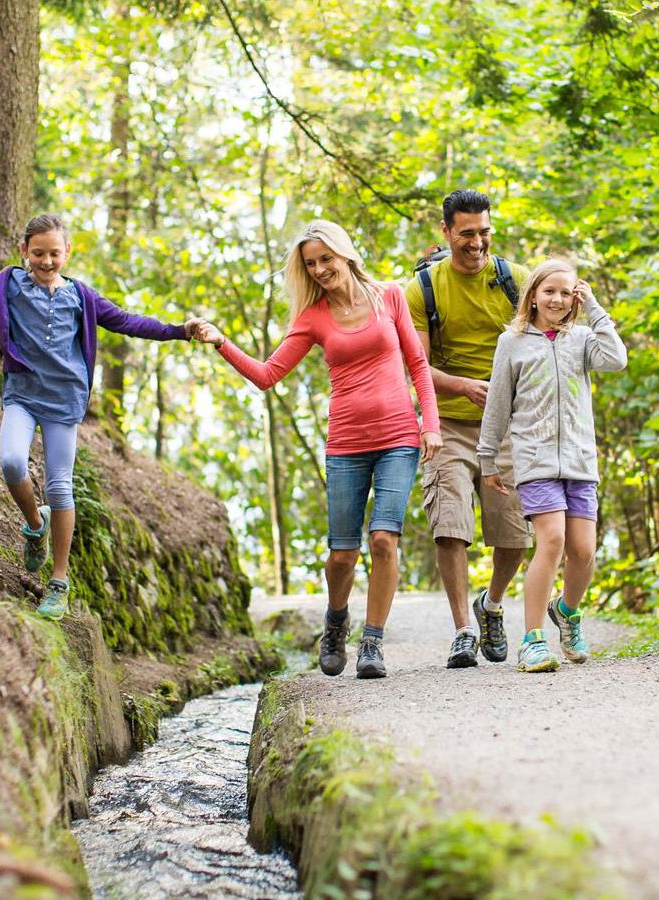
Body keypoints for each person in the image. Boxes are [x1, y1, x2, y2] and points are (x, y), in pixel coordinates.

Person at [188, 221, 443, 680]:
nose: (321, 269)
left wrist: (431, 425)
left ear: (345, 253)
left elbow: (418, 363)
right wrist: (221, 342)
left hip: (399, 437)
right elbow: (267, 375)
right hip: (346, 444)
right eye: (311, 263)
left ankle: (373, 642)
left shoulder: (389, 296)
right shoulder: (313, 317)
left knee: (384, 539)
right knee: (342, 555)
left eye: (326, 258)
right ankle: (335, 621)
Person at [0, 195, 192, 620]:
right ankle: (35, 526)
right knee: (11, 463)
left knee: (60, 488)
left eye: (54, 253)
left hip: (64, 402)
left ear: (67, 253)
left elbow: (130, 322)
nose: (46, 261)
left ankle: (58, 583)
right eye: (38, 253)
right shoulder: (7, 283)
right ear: (24, 251)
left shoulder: (81, 296)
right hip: (22, 394)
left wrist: (180, 331)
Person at [478, 258, 627, 672]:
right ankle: (532, 641)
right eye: (549, 291)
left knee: (583, 551)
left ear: (575, 297)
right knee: (553, 540)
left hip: (579, 460)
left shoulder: (582, 338)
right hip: (536, 459)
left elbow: (616, 359)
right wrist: (487, 457)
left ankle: (566, 610)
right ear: (533, 295)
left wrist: (595, 307)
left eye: (566, 292)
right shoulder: (512, 342)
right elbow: (497, 404)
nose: (557, 299)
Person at [407, 189, 533, 668]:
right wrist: (462, 385)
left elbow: (546, 342)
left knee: (514, 533)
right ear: (445, 232)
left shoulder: (514, 281)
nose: (477, 243)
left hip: (507, 427)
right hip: (447, 424)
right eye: (467, 234)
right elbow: (414, 364)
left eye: (484, 232)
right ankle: (463, 628)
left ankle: (492, 605)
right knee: (450, 526)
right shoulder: (423, 289)